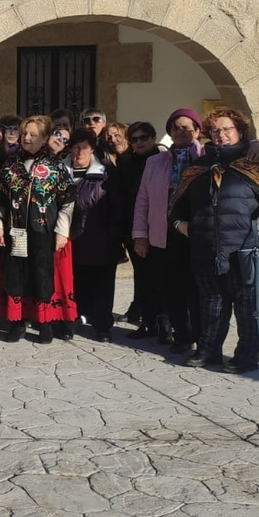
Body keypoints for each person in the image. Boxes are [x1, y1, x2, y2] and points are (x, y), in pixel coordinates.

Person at [171, 109, 259, 374]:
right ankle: (208, 351)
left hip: (247, 250)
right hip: (206, 248)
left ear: (240, 131)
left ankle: (246, 356)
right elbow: (178, 206)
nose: (221, 134)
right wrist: (181, 225)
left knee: (249, 308)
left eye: (227, 128)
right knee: (211, 305)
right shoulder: (197, 169)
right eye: (215, 130)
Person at [0, 116, 77, 344]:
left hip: (43, 231)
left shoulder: (55, 166)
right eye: (24, 134)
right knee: (16, 275)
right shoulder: (10, 165)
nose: (27, 138)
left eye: (33, 134)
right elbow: (0, 198)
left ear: (45, 137)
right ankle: (17, 322)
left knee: (42, 275)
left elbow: (67, 199)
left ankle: (45, 323)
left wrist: (62, 231)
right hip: (16, 231)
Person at [133, 109, 204, 350]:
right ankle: (182, 335)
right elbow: (143, 200)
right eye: (175, 127)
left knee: (196, 289)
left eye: (186, 127)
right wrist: (140, 235)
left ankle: (201, 337)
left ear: (197, 130)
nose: (180, 131)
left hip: (196, 234)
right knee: (171, 288)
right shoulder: (155, 162)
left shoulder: (207, 156)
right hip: (164, 233)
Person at [65, 130, 126, 343]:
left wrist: (113, 234)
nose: (79, 152)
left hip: (101, 238)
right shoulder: (60, 171)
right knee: (73, 284)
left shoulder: (106, 172)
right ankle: (72, 320)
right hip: (69, 240)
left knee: (102, 286)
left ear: (92, 148)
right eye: (75, 147)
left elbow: (118, 206)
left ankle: (102, 326)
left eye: (84, 147)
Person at [115, 121, 159, 327]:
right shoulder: (126, 163)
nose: (139, 142)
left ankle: (159, 318)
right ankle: (141, 312)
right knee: (141, 273)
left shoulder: (163, 160)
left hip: (158, 226)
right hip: (133, 226)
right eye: (134, 139)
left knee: (157, 274)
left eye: (144, 138)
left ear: (153, 138)